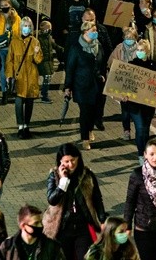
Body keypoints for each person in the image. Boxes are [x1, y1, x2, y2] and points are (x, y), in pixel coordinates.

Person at [44, 143, 107, 260]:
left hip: (82, 226)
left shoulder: (87, 175)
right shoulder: (54, 176)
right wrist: (63, 182)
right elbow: (52, 200)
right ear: (60, 162)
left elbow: (97, 198)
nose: (71, 164)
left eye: (73, 160)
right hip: (62, 227)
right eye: (66, 161)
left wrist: (102, 219)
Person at [65, 18, 107, 149]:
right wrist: (68, 86)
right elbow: (70, 68)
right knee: (85, 111)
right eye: (93, 31)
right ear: (85, 32)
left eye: (96, 31)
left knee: (94, 110)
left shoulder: (98, 46)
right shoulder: (76, 48)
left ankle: (90, 129)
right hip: (81, 85)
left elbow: (102, 62)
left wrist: (102, 75)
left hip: (96, 84)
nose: (96, 33)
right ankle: (85, 139)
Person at [7, 16, 44, 139]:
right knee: (18, 102)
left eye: (28, 26)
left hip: (31, 76)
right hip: (19, 77)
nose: (26, 28)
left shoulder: (35, 41)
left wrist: (37, 52)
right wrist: (9, 75)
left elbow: (38, 60)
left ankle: (26, 125)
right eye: (24, 26)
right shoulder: (14, 42)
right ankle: (20, 126)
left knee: (29, 103)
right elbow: (9, 61)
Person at [124, 39, 156, 162]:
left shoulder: (153, 65)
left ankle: (146, 153)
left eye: (142, 50)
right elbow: (125, 83)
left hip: (148, 104)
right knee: (140, 128)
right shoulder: (131, 64)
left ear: (147, 51)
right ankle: (140, 155)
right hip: (134, 104)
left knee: (146, 129)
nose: (139, 52)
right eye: (138, 50)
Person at [0, 204, 66, 260]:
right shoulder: (7, 247)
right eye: (36, 223)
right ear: (23, 226)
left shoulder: (52, 247)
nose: (40, 225)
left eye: (40, 222)